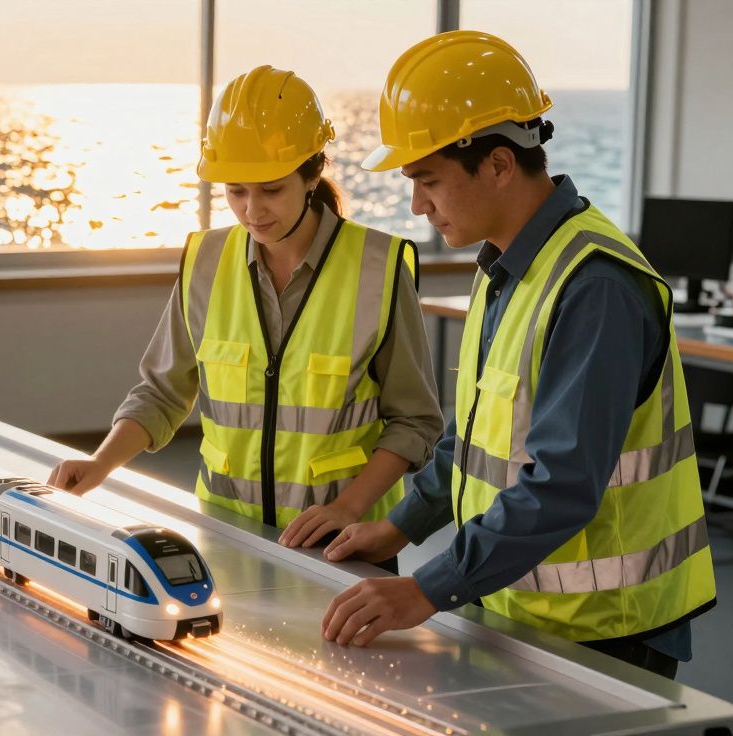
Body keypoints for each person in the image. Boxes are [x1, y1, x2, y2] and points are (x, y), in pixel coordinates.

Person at [320, 30, 716, 679]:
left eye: (428, 181)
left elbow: (561, 484)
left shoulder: (594, 287)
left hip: (605, 629)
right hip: (520, 605)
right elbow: (478, 438)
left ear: (500, 164)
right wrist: (399, 527)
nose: (417, 206)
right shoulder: (509, 265)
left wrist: (426, 587)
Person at [49, 65, 443, 556]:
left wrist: (348, 508)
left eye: (271, 189)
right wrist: (100, 464)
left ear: (312, 174)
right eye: (236, 191)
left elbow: (415, 422)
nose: (252, 210)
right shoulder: (205, 262)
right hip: (224, 534)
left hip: (342, 545)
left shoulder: (377, 268)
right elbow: (162, 393)